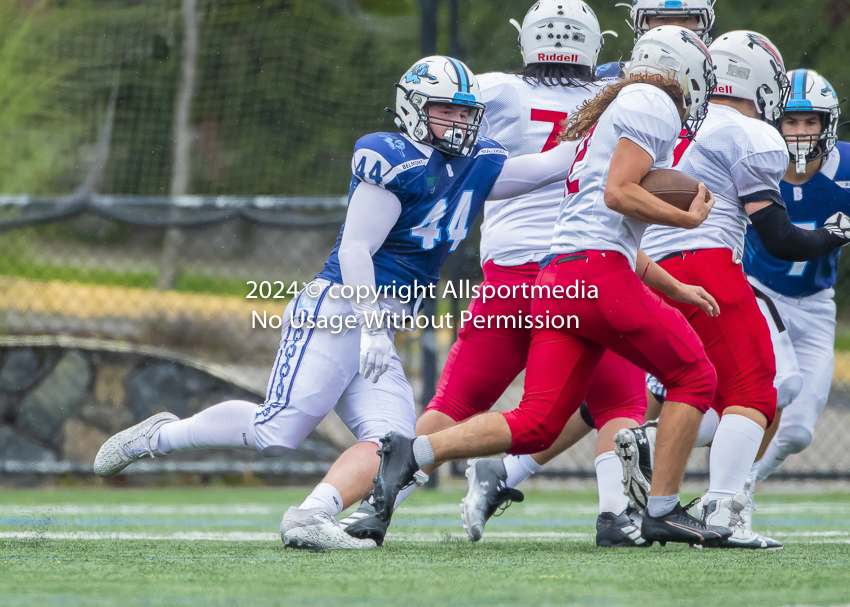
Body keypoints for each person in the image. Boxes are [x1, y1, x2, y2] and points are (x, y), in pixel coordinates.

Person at [92, 55, 586, 551]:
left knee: (399, 450)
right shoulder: (393, 157)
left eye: (465, 113)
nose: (459, 122)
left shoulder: (476, 164)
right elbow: (355, 249)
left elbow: (548, 165)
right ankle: (159, 436)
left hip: (382, 322)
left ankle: (311, 515)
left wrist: (608, 120)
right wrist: (371, 326)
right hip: (340, 310)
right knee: (277, 432)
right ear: (413, 109)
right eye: (446, 111)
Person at [371, 26, 737, 548]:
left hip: (560, 274)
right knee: (695, 376)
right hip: (596, 275)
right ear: (682, 70)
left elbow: (600, 211)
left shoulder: (607, 113)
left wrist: (672, 285)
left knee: (538, 422)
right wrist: (684, 223)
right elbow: (618, 194)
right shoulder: (651, 99)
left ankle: (416, 453)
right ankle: (661, 509)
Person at [340, 0, 649, 550]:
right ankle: (615, 518)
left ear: (526, 41)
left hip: (507, 273)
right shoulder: (624, 97)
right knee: (619, 403)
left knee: (453, 405)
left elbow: (430, 104)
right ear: (595, 43)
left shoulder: (496, 89)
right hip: (582, 268)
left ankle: (371, 508)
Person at [456, 0, 719, 546]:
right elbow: (618, 195)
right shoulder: (637, 99)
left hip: (545, 264)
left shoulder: (593, 96)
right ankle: (624, 514)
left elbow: (444, 95)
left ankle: (396, 482)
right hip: (584, 265)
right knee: (637, 395)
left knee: (516, 410)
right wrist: (687, 217)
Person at [615, 35, 850, 550]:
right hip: (707, 265)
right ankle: (723, 510)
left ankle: (654, 446)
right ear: (759, 76)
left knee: (707, 391)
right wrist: (834, 233)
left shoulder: (676, 121)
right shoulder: (747, 132)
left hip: (649, 270)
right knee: (756, 392)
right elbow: (780, 239)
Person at [742, 69, 850, 532]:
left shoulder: (845, 167)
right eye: (790, 121)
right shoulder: (751, 160)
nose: (800, 131)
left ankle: (739, 485)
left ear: (828, 123)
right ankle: (730, 494)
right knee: (772, 391)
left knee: (801, 431)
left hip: (817, 301)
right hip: (759, 294)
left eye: (810, 121)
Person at [596, 0, 716, 78]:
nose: (674, 29)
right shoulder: (607, 76)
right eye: (662, 18)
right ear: (641, 23)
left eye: (685, 19)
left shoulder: (723, 82)